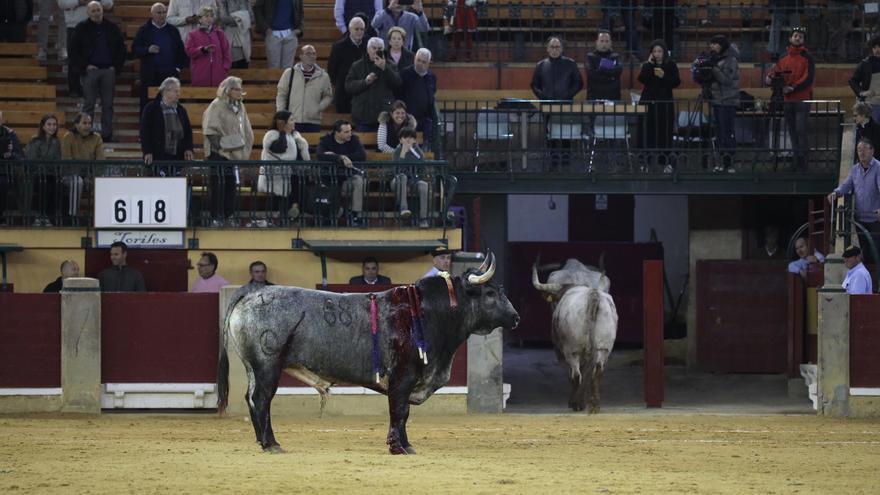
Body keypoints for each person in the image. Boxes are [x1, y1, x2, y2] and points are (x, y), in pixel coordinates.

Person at [69, 1, 126, 143]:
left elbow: (121, 49)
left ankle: (107, 135)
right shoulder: (81, 28)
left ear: (103, 10)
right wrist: (85, 66)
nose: (96, 13)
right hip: (90, 71)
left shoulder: (112, 28)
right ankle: (84, 133)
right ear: (88, 13)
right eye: (93, 10)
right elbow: (73, 50)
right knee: (89, 104)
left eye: (98, 10)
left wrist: (115, 67)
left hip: (108, 71)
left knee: (108, 105)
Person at [202, 76, 255, 227]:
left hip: (234, 153)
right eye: (237, 89)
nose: (240, 92)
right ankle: (216, 217)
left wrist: (242, 147)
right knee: (218, 184)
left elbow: (246, 128)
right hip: (218, 154)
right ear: (228, 90)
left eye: (240, 89)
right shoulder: (216, 105)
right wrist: (221, 148)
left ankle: (229, 215)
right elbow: (210, 130)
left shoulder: (240, 107)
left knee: (231, 184)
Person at [765, 27, 814, 171]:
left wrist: (793, 87)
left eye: (800, 36)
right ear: (790, 39)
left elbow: (808, 78)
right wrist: (769, 77)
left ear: (803, 40)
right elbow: (776, 72)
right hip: (788, 99)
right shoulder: (784, 59)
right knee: (793, 131)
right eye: (795, 36)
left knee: (800, 130)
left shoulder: (807, 58)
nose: (798, 38)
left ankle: (803, 162)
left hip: (802, 98)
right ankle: (796, 160)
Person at [828, 139, 880, 262]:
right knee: (865, 248)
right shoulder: (855, 169)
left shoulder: (878, 167)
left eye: (865, 149)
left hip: (875, 218)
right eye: (859, 149)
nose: (862, 152)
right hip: (859, 217)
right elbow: (846, 185)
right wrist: (836, 193)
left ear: (872, 150)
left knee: (876, 249)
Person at [131, 3, 188, 113]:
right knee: (148, 106)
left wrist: (177, 68)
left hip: (169, 75)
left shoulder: (173, 30)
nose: (162, 15)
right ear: (152, 14)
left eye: (164, 12)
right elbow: (135, 49)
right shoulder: (144, 30)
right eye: (158, 13)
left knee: (170, 105)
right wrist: (147, 49)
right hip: (150, 74)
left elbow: (181, 52)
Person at [258, 110, 310, 224]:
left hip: (291, 172)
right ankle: (273, 219)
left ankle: (289, 216)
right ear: (283, 122)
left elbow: (301, 156)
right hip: (275, 173)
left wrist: (301, 144)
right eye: (291, 120)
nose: (294, 122)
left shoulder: (295, 135)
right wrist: (282, 131)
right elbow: (279, 149)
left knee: (296, 189)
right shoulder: (272, 134)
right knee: (277, 194)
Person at [637, 39, 680, 173]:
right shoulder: (648, 65)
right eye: (654, 51)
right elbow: (642, 79)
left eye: (659, 51)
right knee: (647, 133)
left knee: (664, 132)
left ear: (664, 52)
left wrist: (663, 76)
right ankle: (646, 162)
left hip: (664, 104)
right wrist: (649, 65)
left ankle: (665, 162)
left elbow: (676, 82)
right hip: (648, 102)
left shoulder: (670, 65)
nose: (657, 54)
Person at [140, 77, 194, 177]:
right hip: (158, 156)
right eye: (176, 91)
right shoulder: (151, 108)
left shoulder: (181, 110)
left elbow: (187, 132)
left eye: (179, 91)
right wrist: (147, 151)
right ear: (166, 91)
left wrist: (188, 148)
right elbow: (145, 132)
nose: (178, 94)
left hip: (177, 157)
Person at [345, 36, 401, 132]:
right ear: (368, 49)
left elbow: (397, 84)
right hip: (363, 114)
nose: (376, 51)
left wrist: (385, 68)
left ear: (383, 50)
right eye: (374, 48)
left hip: (384, 115)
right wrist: (365, 82)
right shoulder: (357, 65)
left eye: (379, 48)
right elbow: (348, 86)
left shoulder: (391, 65)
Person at [316, 120, 366, 226]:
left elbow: (362, 155)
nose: (350, 134)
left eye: (350, 131)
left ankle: (355, 215)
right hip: (330, 180)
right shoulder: (326, 140)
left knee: (359, 181)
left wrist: (339, 156)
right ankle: (337, 213)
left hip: (347, 179)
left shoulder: (354, 139)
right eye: (346, 132)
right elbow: (320, 155)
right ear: (337, 133)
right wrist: (340, 157)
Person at [59, 0, 113, 96]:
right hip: (73, 26)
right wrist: (79, 2)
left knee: (95, 57)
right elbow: (62, 4)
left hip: (95, 25)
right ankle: (75, 90)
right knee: (74, 59)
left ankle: (95, 88)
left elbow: (109, 4)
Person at [275, 44, 333, 134]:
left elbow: (328, 96)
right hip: (293, 119)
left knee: (312, 147)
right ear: (301, 56)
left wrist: (318, 108)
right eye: (308, 54)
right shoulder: (289, 73)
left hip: (313, 121)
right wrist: (281, 114)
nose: (312, 56)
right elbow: (282, 94)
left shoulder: (323, 76)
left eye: (314, 54)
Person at [704, 35, 739, 173]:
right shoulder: (713, 58)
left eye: (715, 44)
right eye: (711, 44)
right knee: (718, 132)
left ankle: (729, 163)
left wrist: (713, 68)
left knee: (727, 132)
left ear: (722, 45)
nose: (712, 46)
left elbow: (727, 80)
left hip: (727, 100)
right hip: (716, 100)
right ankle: (719, 162)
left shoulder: (731, 60)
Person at [60, 113, 101, 222]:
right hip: (69, 175)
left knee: (100, 182)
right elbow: (66, 161)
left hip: (88, 175)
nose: (87, 126)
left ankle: (99, 218)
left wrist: (94, 176)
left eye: (89, 123)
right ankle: (73, 216)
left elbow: (101, 160)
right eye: (84, 123)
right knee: (77, 182)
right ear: (76, 125)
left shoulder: (96, 138)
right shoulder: (68, 137)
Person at [25, 114, 63, 227]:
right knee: (44, 182)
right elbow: (32, 159)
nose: (52, 127)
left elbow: (58, 159)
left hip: (51, 173)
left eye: (54, 124)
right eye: (49, 124)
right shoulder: (35, 140)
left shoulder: (57, 142)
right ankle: (39, 215)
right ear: (43, 126)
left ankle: (48, 216)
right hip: (36, 173)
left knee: (56, 183)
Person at [396, 48, 436, 151]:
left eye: (423, 62)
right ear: (414, 59)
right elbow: (398, 95)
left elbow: (433, 93)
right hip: (407, 118)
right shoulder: (405, 74)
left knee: (430, 134)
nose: (420, 64)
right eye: (418, 60)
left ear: (428, 63)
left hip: (425, 117)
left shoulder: (432, 77)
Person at [328, 16, 368, 114]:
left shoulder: (368, 45)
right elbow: (332, 70)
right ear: (350, 29)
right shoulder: (339, 47)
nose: (360, 31)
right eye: (357, 29)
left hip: (363, 92)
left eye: (362, 29)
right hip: (343, 92)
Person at [185, 6, 232, 88]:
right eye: (206, 16)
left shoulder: (219, 33)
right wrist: (203, 50)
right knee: (202, 98)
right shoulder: (192, 34)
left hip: (218, 76)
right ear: (200, 19)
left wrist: (224, 68)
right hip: (200, 75)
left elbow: (226, 53)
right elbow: (189, 51)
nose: (209, 18)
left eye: (211, 16)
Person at [391, 127, 430, 227]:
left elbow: (422, 170)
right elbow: (396, 171)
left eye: (411, 137)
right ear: (400, 140)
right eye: (405, 137)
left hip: (413, 182)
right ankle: (404, 209)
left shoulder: (418, 153)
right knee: (402, 177)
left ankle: (423, 218)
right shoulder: (397, 151)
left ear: (414, 140)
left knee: (424, 185)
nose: (408, 140)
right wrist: (403, 153)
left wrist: (415, 179)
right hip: (397, 182)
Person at [254, 0, 304, 69]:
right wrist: (265, 28)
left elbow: (300, 11)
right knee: (273, 67)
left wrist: (299, 29)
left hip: (291, 34)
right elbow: (257, 9)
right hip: (273, 34)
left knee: (288, 70)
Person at [530, 37, 583, 101]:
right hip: (546, 104)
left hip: (566, 103)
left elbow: (578, 83)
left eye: (557, 47)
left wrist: (568, 95)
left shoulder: (571, 64)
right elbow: (534, 85)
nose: (554, 50)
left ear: (561, 49)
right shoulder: (541, 65)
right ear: (547, 49)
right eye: (552, 47)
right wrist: (542, 96)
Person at [848, 36, 880, 124]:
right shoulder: (866, 64)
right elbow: (853, 80)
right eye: (875, 47)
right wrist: (862, 93)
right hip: (871, 104)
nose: (877, 50)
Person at [0, 111, 24, 225]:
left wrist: (11, 154)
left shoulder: (10, 134)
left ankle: (1, 217)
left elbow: (20, 156)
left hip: (5, 171)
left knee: (2, 183)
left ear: (2, 120)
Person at [215, 0, 255, 69]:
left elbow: (252, 18)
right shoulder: (223, 1)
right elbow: (224, 18)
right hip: (230, 36)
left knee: (243, 67)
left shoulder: (246, 1)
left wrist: (236, 17)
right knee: (231, 66)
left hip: (244, 37)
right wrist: (242, 17)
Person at [586, 29, 623, 101]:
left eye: (606, 41)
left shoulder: (616, 56)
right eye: (601, 41)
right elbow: (592, 74)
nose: (604, 44)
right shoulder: (590, 57)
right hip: (594, 97)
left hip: (613, 97)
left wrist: (600, 68)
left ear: (610, 43)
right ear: (596, 42)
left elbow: (618, 71)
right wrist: (611, 76)